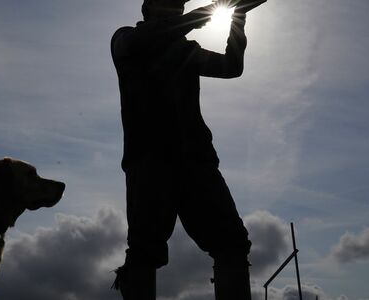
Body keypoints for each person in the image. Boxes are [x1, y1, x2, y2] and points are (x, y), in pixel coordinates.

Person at [110, 0, 265, 299]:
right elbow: (145, 41)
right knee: (145, 251)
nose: (175, 10)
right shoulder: (125, 39)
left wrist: (238, 17)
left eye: (178, 5)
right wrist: (208, 12)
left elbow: (231, 67)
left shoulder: (184, 50)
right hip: (150, 164)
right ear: (149, 9)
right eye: (167, 4)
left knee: (232, 243)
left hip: (197, 162)